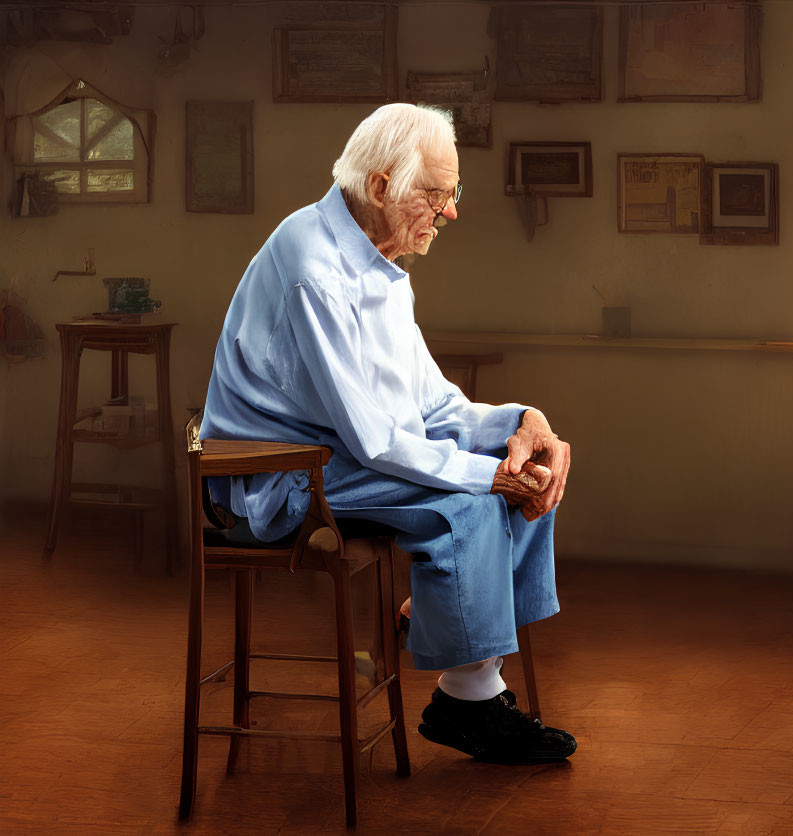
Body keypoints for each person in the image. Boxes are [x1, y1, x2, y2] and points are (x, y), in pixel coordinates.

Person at [200, 103, 576, 764]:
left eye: (452, 192)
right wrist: (490, 474)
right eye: (436, 194)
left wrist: (524, 423)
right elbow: (374, 437)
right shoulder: (313, 266)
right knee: (474, 498)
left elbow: (431, 406)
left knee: (527, 466)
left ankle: (462, 676)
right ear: (380, 188)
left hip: (330, 454)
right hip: (280, 477)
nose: (451, 211)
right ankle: (473, 701)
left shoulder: (376, 262)